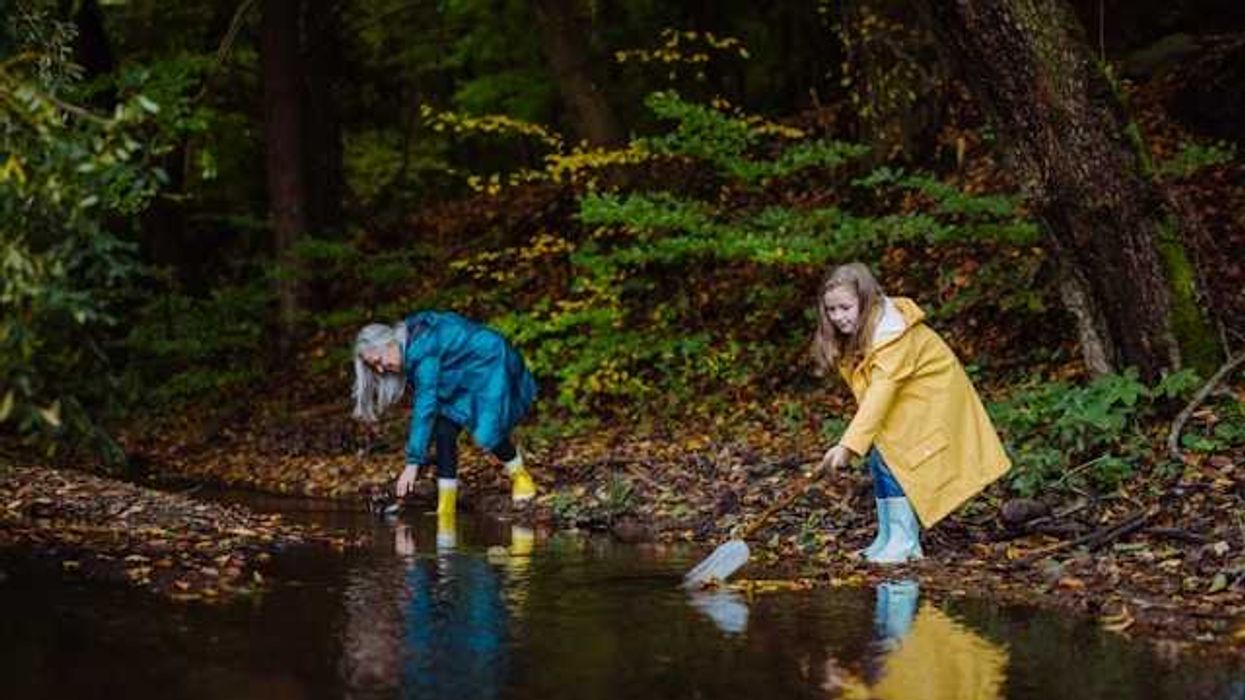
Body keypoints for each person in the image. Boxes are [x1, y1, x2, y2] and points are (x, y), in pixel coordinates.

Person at [813, 262, 1011, 563]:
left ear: (867, 302)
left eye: (845, 307)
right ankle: (887, 537)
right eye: (832, 310)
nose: (838, 316)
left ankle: (905, 541)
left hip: (931, 405)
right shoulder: (866, 335)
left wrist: (848, 445)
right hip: (906, 405)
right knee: (881, 458)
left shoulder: (892, 335)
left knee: (899, 463)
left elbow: (881, 392)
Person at [352, 310, 539, 521]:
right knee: (444, 431)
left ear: (389, 343)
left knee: (487, 430)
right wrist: (417, 459)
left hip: (489, 362)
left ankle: (520, 475)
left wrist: (413, 463)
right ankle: (446, 505)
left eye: (379, 361)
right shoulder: (409, 345)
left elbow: (425, 406)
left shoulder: (422, 351)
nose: (380, 370)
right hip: (456, 373)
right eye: (374, 367)